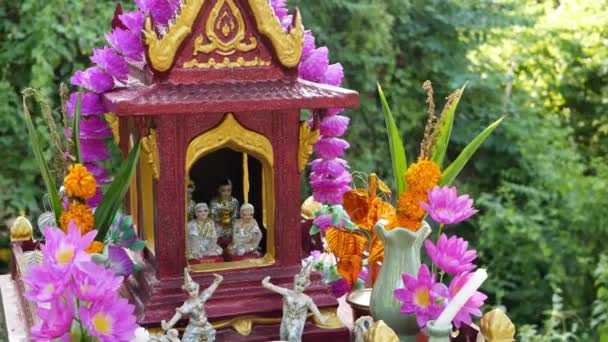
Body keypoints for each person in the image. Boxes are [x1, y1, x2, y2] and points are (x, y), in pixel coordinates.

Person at [262, 263, 328, 342]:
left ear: (305, 287)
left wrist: (321, 318)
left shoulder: (307, 299)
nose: (299, 287)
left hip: (297, 323)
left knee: (293, 336)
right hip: (287, 320)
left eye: (302, 285)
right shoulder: (287, 293)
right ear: (295, 282)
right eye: (298, 284)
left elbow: (314, 308)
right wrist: (266, 284)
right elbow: (275, 288)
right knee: (284, 336)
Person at [161, 269, 223, 342]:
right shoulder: (188, 305)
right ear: (186, 292)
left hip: (206, 326)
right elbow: (179, 314)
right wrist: (168, 325)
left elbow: (209, 291)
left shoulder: (201, 298)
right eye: (190, 290)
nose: (193, 292)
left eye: (194, 289)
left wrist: (216, 283)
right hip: (194, 329)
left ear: (198, 288)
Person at [210, 179, 239, 243]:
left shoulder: (234, 201)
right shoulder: (214, 202)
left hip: (231, 226)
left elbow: (235, 216)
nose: (226, 193)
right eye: (223, 191)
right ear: (219, 190)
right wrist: (221, 224)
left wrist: (230, 224)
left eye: (229, 190)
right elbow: (213, 217)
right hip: (219, 226)